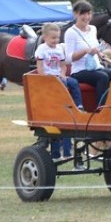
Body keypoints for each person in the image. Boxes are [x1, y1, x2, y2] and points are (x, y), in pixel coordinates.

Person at [36, 23, 83, 164]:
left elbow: (63, 65)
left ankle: (78, 105)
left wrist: (63, 74)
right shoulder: (42, 49)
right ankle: (56, 153)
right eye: (53, 38)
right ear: (45, 37)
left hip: (59, 76)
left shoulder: (59, 49)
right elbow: (40, 68)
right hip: (49, 79)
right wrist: (45, 79)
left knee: (73, 83)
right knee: (62, 85)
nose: (56, 40)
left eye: (57, 38)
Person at [65, 0, 111, 106]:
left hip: (96, 67)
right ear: (75, 14)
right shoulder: (71, 33)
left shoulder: (93, 29)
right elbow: (68, 58)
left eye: (89, 13)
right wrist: (85, 51)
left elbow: (95, 49)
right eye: (83, 14)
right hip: (80, 70)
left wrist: (102, 56)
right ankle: (101, 109)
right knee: (102, 77)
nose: (87, 17)